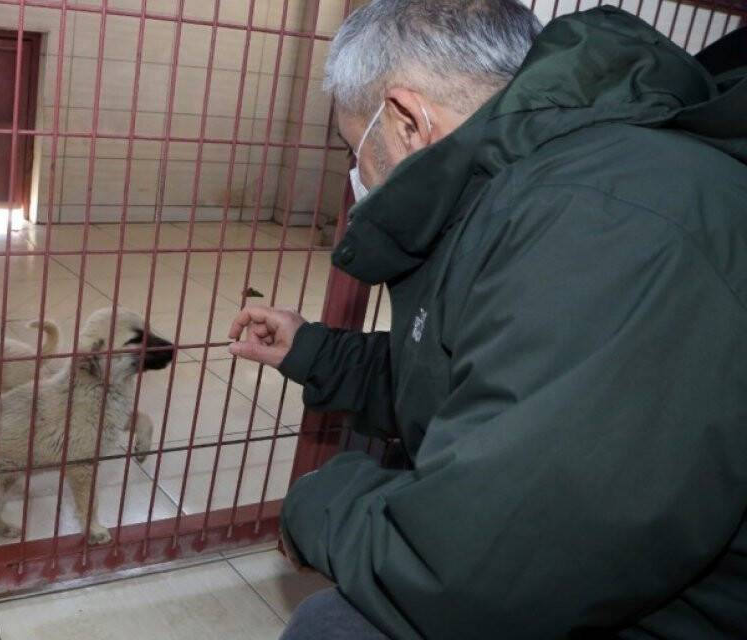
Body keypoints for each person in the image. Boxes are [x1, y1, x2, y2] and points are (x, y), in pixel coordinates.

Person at [226, 1, 747, 638]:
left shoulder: (599, 220)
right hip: (619, 568)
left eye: (352, 147)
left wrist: (317, 503)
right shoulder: (520, 190)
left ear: (407, 121)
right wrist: (314, 351)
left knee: (336, 629)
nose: (354, 174)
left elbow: (475, 571)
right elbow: (473, 376)